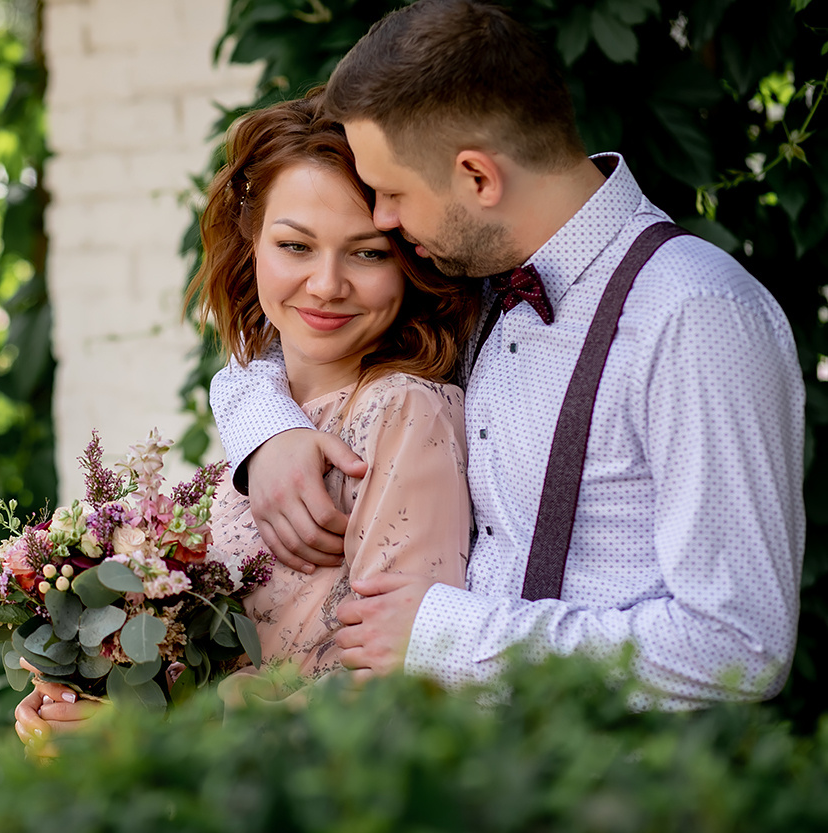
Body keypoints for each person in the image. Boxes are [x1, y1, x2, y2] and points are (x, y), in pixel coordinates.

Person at [210, 0, 805, 709]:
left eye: (394, 193)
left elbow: (740, 644)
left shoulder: (695, 316)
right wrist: (268, 431)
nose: (387, 221)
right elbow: (297, 341)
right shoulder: (477, 287)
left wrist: (449, 636)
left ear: (478, 178)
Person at [15, 90, 482, 746]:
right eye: (296, 245)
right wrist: (98, 696)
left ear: (410, 264)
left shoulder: (403, 411)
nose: (326, 283)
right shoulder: (259, 423)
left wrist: (160, 736)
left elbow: (398, 686)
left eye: (368, 252)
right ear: (251, 244)